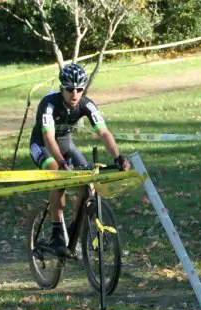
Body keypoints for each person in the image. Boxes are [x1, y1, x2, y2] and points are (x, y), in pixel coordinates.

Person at [29, 63, 130, 257]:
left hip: (66, 144)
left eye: (79, 89)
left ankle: (74, 229)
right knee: (58, 176)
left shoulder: (87, 104)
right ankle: (57, 233)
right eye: (69, 89)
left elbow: (103, 132)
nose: (74, 93)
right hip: (41, 145)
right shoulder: (49, 104)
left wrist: (117, 157)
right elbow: (49, 138)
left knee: (88, 184)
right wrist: (61, 162)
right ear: (62, 88)